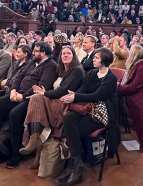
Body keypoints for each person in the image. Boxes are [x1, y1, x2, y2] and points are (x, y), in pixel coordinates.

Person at [0, 41, 57, 168]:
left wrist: (23, 96)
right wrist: (13, 90)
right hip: (16, 94)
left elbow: (41, 86)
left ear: (43, 53)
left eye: (36, 51)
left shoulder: (50, 65)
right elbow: (18, 77)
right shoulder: (33, 62)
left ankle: (16, 153)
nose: (33, 53)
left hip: (31, 99)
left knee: (14, 114)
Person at [59, 48, 119, 186]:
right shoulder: (92, 73)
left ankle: (76, 166)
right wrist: (71, 96)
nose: (93, 59)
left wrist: (76, 96)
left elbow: (97, 96)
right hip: (87, 107)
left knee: (75, 130)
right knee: (68, 119)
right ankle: (78, 164)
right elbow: (83, 89)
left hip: (103, 111)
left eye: (97, 58)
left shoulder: (110, 78)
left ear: (104, 61)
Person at [19, 45, 84, 169]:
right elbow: (56, 89)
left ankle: (34, 141)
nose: (65, 55)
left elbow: (63, 91)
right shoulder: (62, 70)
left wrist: (44, 93)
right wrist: (44, 92)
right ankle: (35, 141)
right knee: (36, 101)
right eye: (63, 53)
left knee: (36, 98)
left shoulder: (77, 70)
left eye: (69, 53)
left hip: (64, 103)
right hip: (54, 99)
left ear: (74, 56)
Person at [118, 45, 143, 152]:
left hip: (142, 97)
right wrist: (118, 84)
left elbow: (134, 87)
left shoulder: (142, 68)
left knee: (116, 101)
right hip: (136, 93)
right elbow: (125, 78)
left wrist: (119, 89)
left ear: (134, 55)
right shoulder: (134, 65)